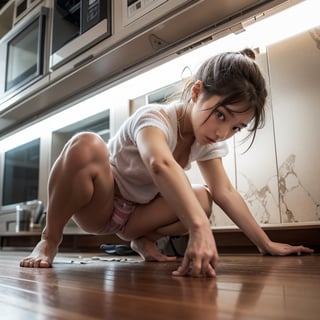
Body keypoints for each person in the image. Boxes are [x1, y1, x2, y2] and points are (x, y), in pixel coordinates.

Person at [20, 49, 314, 276]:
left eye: (236, 128)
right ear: (197, 93)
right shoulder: (155, 117)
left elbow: (225, 191)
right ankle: (49, 239)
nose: (222, 133)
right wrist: (200, 229)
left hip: (136, 219)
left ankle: (142, 239)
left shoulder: (206, 141)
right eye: (221, 115)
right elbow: (159, 163)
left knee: (204, 198)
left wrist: (266, 244)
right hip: (101, 205)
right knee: (86, 144)